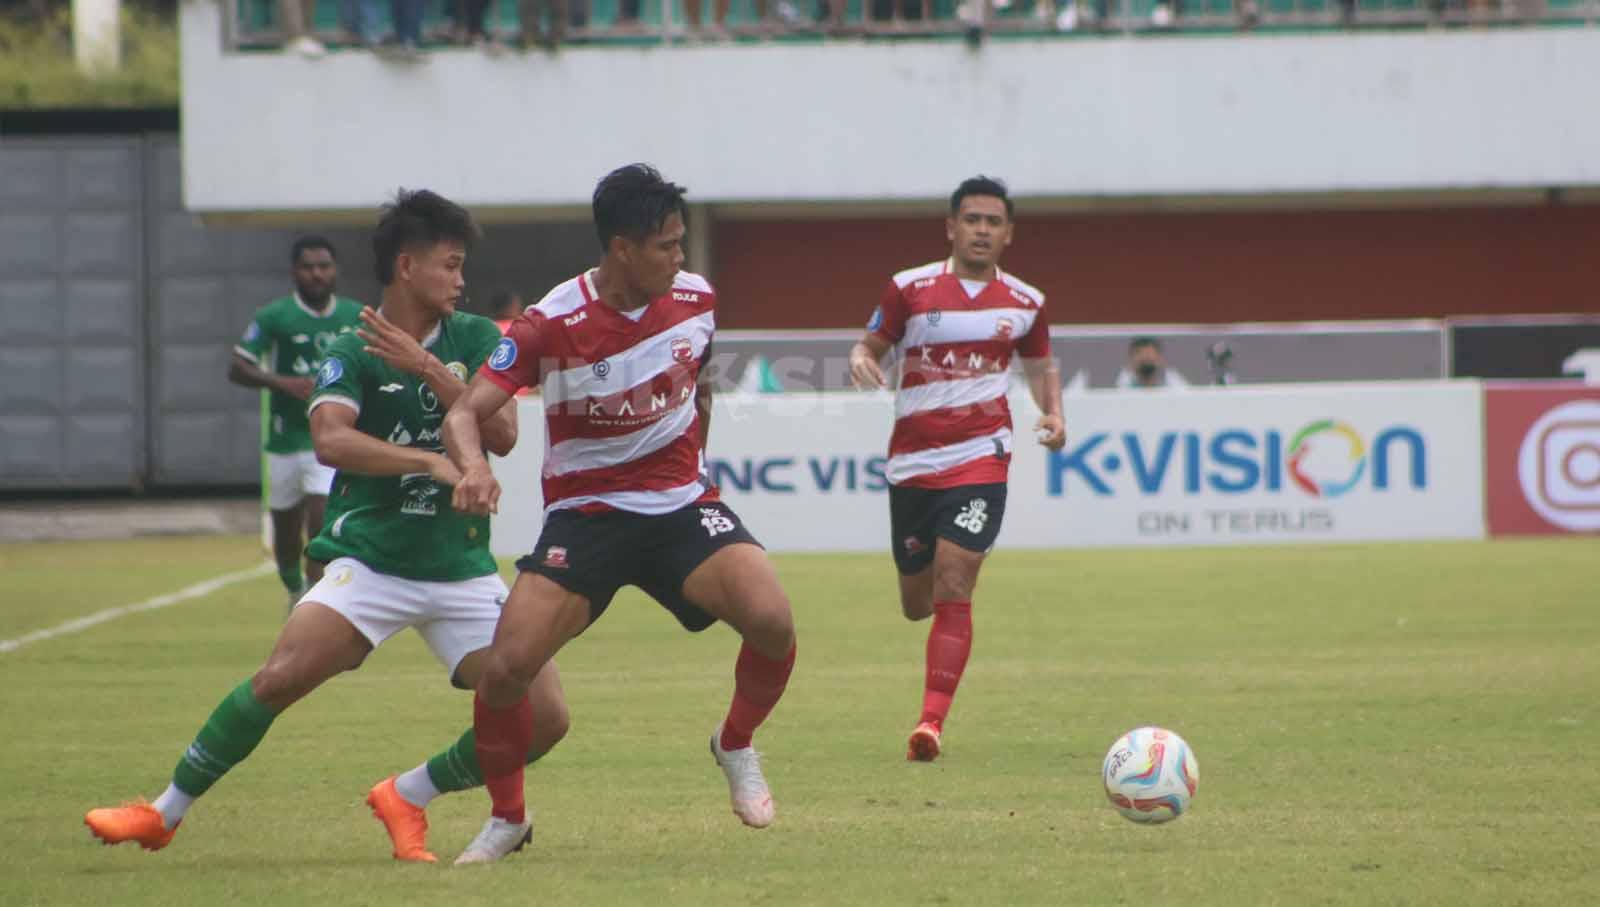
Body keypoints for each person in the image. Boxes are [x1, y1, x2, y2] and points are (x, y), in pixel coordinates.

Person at [84, 190, 570, 865]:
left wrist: (428, 369)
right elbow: (331, 440)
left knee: (545, 718)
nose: (461, 280)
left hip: (460, 568)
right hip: (369, 559)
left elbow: (506, 432)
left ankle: (408, 793)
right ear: (407, 266)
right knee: (279, 675)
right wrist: (429, 459)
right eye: (451, 265)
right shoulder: (351, 346)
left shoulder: (478, 338)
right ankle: (162, 812)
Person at [440, 164, 798, 865]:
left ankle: (734, 742)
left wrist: (699, 464)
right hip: (588, 515)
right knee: (507, 668)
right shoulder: (551, 322)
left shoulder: (697, 298)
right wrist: (475, 466)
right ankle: (508, 816)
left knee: (775, 622)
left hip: (680, 505)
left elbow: (701, 386)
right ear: (622, 249)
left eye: (681, 242)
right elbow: (464, 412)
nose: (680, 258)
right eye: (666, 245)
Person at [848, 175, 1065, 762]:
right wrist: (862, 358)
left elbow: (1042, 366)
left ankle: (930, 724)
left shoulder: (1025, 302)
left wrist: (1054, 415)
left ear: (1008, 234)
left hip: (980, 457)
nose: (982, 230)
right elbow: (871, 344)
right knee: (917, 601)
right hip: (913, 463)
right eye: (972, 220)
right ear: (951, 227)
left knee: (954, 579)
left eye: (994, 222)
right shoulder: (909, 289)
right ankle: (943, 600)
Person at [230, 236, 364, 608]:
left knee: (321, 520)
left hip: (330, 439)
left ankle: (312, 597)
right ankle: (293, 585)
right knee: (286, 531)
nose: (317, 274)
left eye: (324, 266)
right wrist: (282, 383)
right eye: (309, 267)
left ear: (335, 271)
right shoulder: (274, 317)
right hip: (284, 440)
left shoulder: (356, 316)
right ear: (295, 272)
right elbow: (238, 367)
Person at [1114, 336, 1189, 389]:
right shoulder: (1125, 382)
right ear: (1131, 360)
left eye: (1150, 353)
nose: (1145, 356)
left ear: (1160, 359)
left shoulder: (1172, 380)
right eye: (1139, 353)